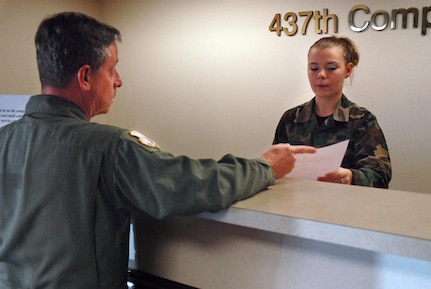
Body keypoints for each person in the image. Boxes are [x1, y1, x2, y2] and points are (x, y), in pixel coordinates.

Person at [0, 12, 315, 289]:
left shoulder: (4, 139)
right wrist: (265, 167)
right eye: (112, 70)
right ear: (85, 77)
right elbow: (194, 184)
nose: (119, 81)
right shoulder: (110, 147)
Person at [273, 36, 391, 188]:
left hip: (345, 207)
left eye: (331, 68)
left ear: (347, 70)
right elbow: (274, 166)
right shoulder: (291, 119)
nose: (321, 75)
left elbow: (380, 175)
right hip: (296, 206)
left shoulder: (362, 120)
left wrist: (350, 177)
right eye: (314, 68)